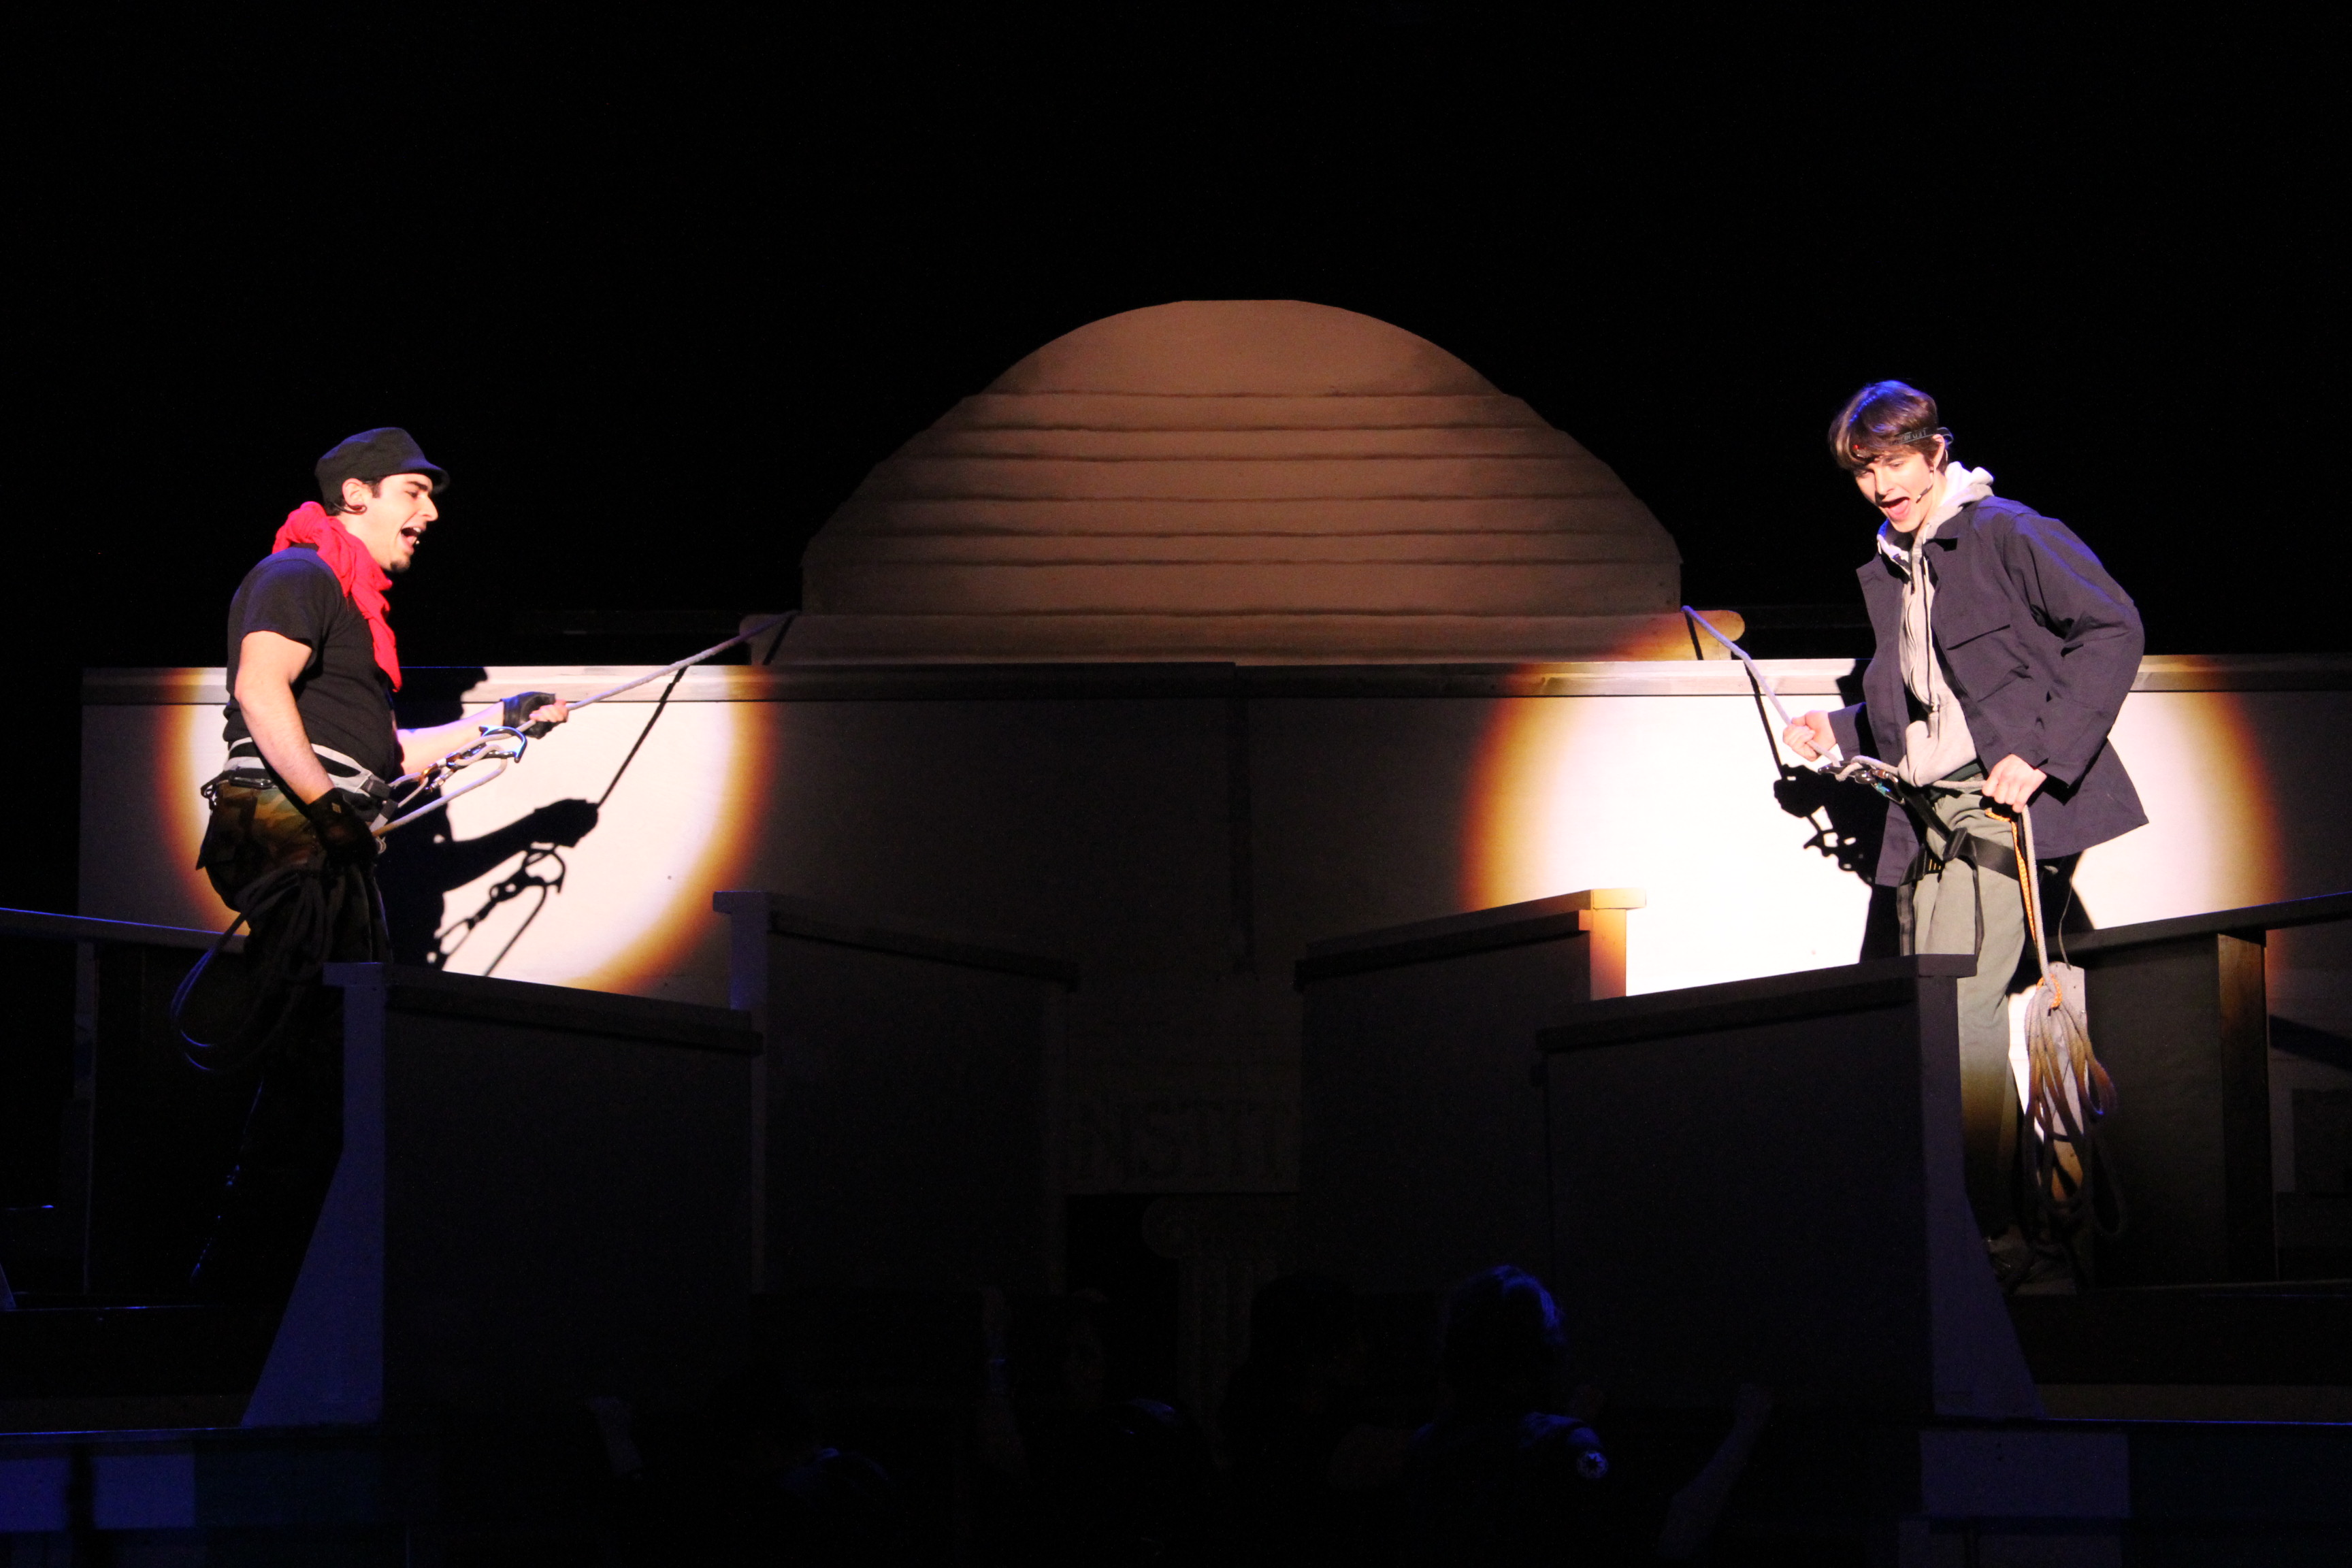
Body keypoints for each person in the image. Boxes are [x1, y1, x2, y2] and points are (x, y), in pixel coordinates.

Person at [189, 427, 568, 1295]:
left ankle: (277, 1259)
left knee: (337, 1040)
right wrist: (327, 811)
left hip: (323, 825)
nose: (430, 513)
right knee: (322, 1042)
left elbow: (387, 753)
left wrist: (502, 719)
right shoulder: (299, 575)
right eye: (414, 493)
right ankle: (246, 1272)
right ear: (356, 495)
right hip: (288, 820)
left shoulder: (350, 605)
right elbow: (259, 689)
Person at [1784, 382, 2144, 1281]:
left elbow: (2113, 627)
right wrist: (1836, 733)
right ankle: (1966, 1223)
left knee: (1958, 1012)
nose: (1881, 486)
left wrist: (2043, 755)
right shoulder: (1893, 565)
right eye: (1865, 472)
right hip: (1925, 816)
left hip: (1992, 813)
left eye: (1895, 463)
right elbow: (1927, 704)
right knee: (1929, 1010)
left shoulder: (2007, 532)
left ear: (1936, 451)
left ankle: (1983, 1233)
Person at [1402, 1267, 1771, 1564]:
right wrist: (1748, 1427)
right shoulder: (1570, 1448)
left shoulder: (1424, 1448)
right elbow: (1674, 1538)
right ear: (1542, 1353)